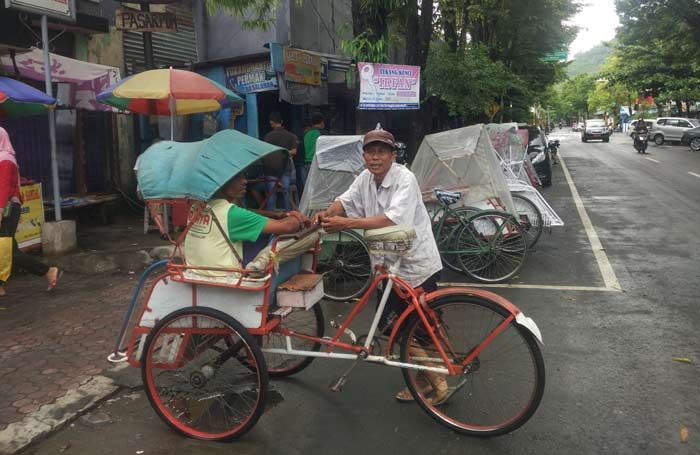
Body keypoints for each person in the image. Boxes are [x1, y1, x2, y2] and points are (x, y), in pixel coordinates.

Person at [315, 128, 446, 404]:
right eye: (370, 152)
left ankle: (438, 382)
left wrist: (346, 223)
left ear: (392, 155)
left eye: (381, 152)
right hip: (386, 265)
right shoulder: (365, 178)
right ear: (364, 156)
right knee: (392, 326)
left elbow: (391, 219)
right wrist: (330, 212)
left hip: (415, 264)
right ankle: (424, 377)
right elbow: (345, 200)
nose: (375, 158)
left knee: (423, 327)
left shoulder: (404, 179)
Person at [184, 171, 309, 277]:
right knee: (275, 239)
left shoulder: (196, 207)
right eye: (237, 177)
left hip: (195, 272)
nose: (245, 181)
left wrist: (275, 214)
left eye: (244, 176)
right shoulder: (232, 214)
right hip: (225, 277)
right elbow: (286, 227)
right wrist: (298, 217)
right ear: (221, 182)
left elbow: (244, 212)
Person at [0, 127, 61, 296]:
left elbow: (3, 188)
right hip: (7, 208)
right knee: (8, 248)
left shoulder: (5, 159)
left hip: (6, 210)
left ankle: (46, 271)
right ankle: (46, 271)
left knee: (6, 249)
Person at [260, 112, 298, 211]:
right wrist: (284, 152)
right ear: (281, 122)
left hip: (270, 169)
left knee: (271, 194)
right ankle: (289, 215)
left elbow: (264, 153)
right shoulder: (290, 136)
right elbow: (294, 151)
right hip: (285, 168)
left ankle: (272, 216)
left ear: (271, 123)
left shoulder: (268, 136)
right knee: (286, 193)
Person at [302, 113, 324, 186]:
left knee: (309, 188)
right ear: (321, 122)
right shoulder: (321, 133)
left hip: (307, 164)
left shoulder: (306, 134)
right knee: (319, 188)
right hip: (318, 164)